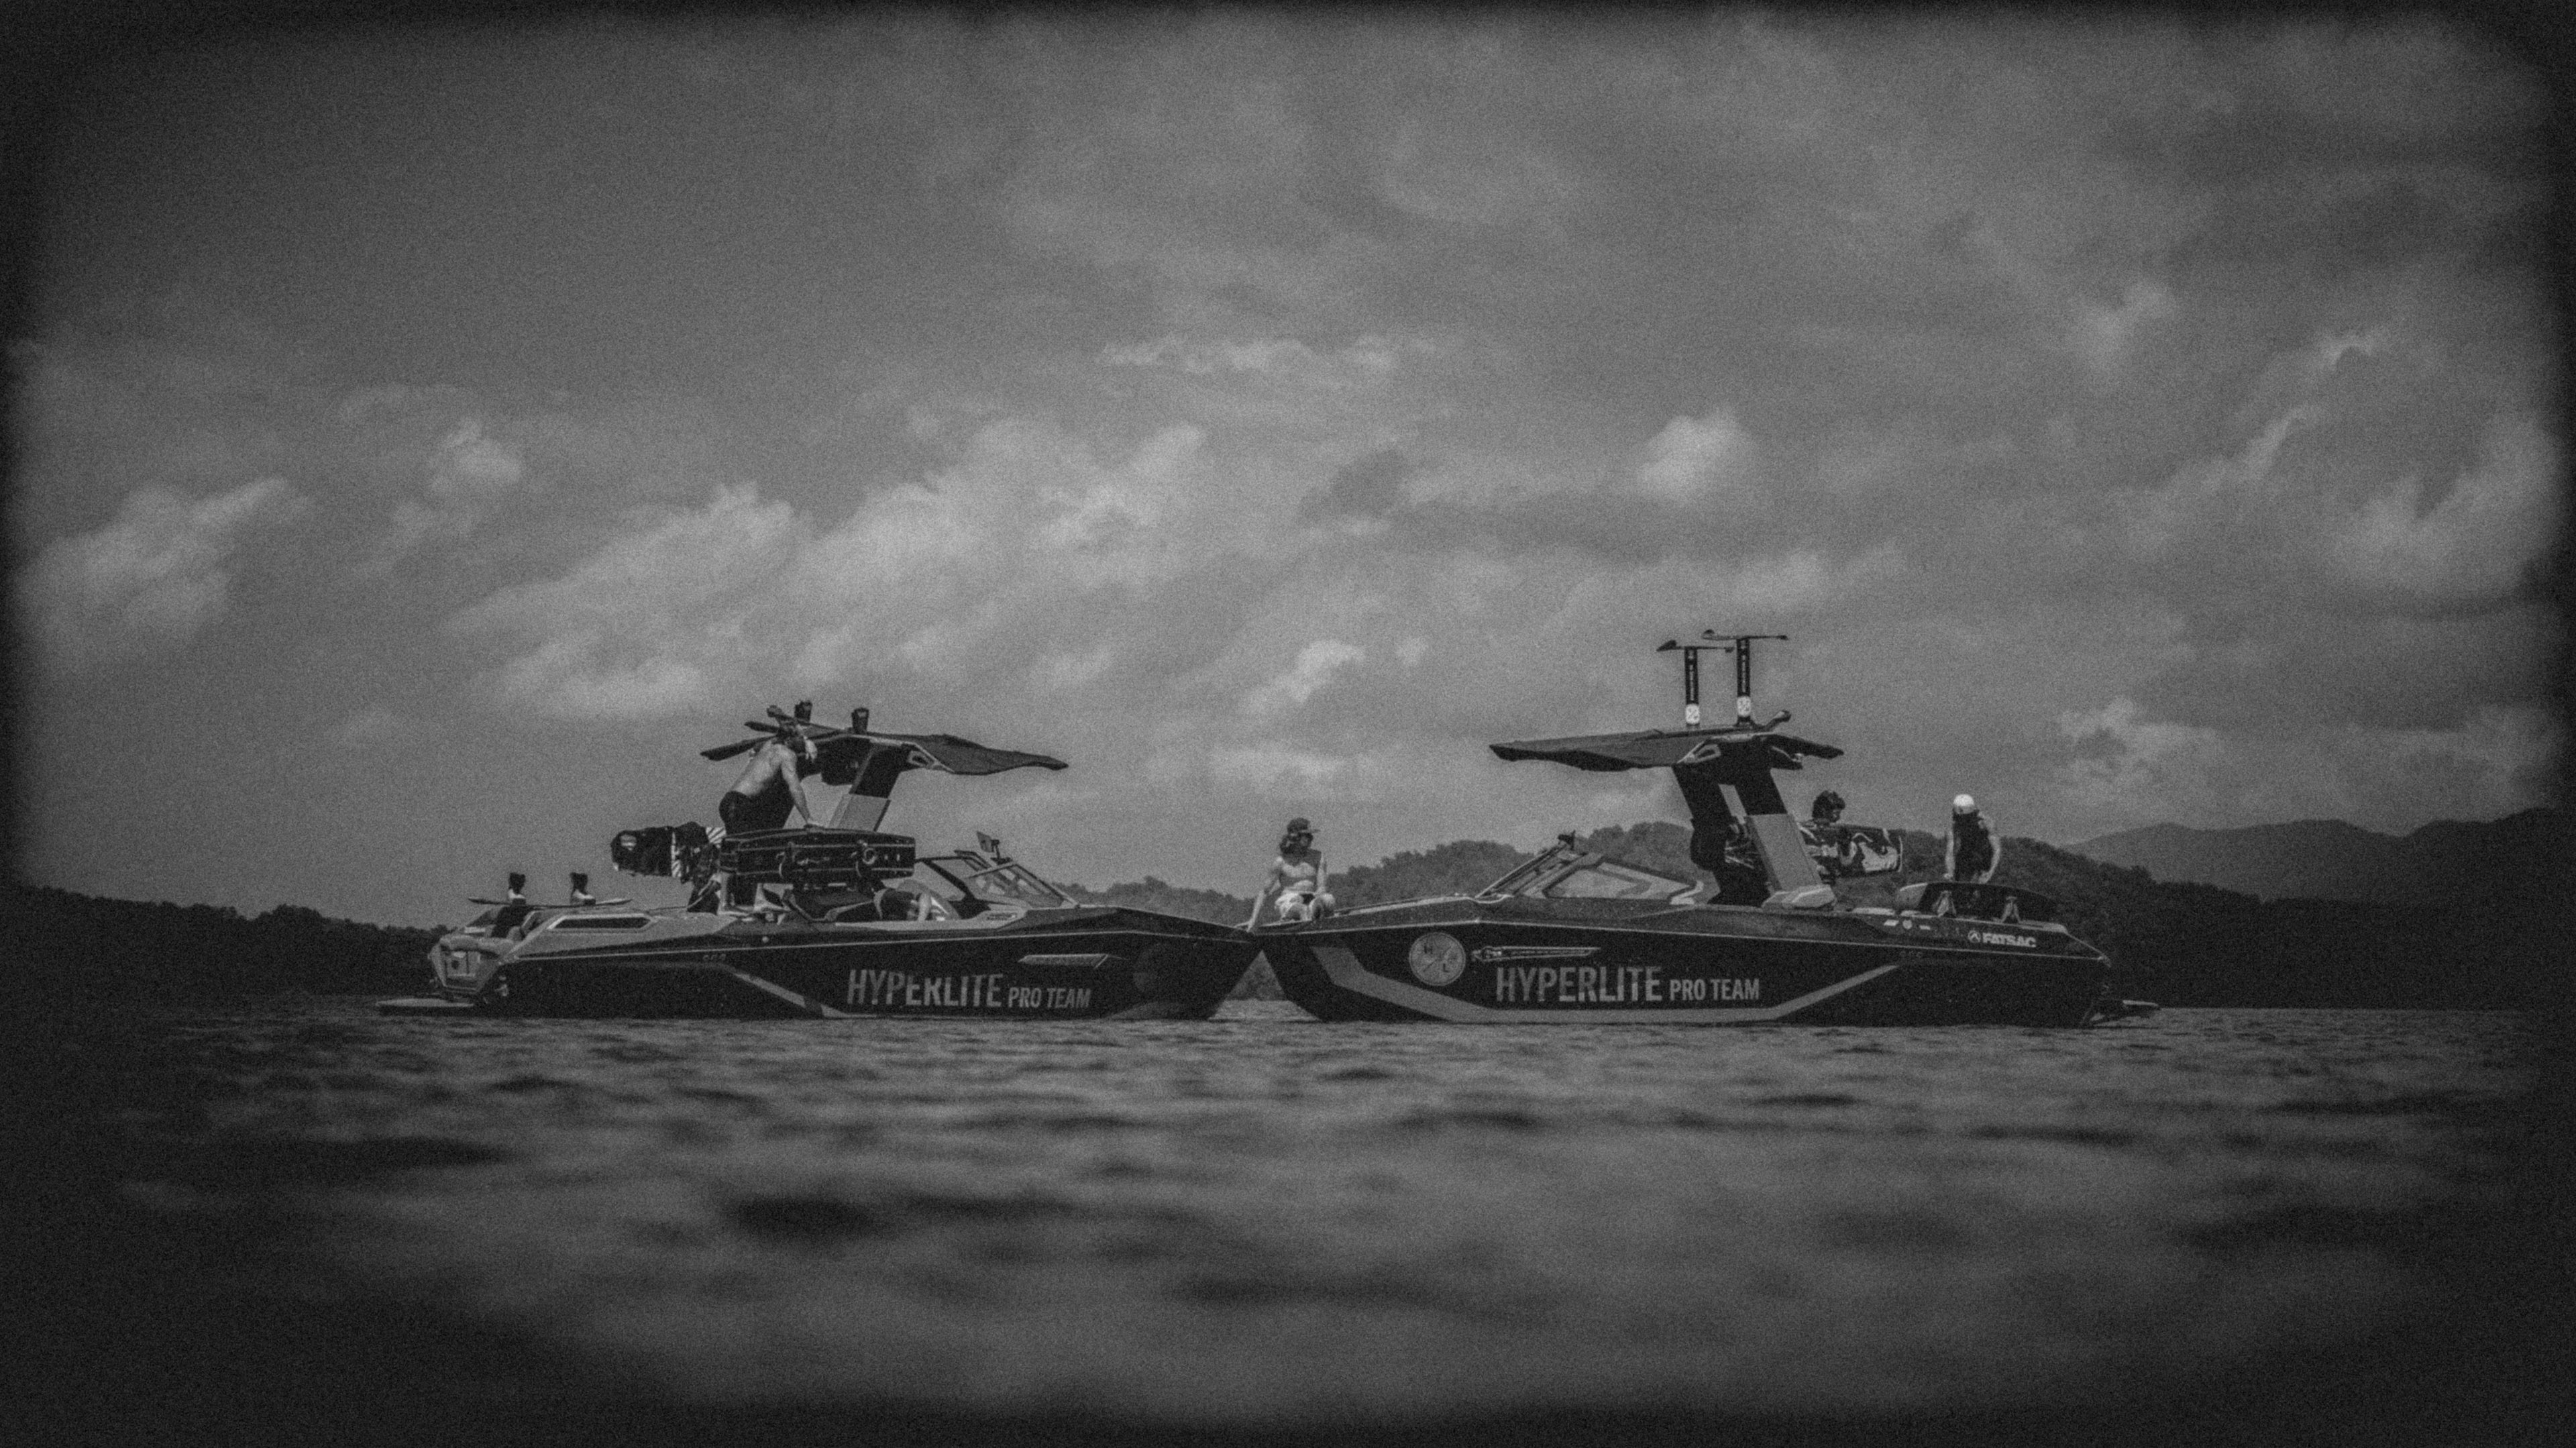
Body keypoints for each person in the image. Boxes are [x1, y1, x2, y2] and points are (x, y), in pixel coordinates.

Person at [720, 727, 814, 835]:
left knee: (737, 846)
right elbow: (795, 788)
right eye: (801, 738)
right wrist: (808, 819)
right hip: (740, 807)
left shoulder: (768, 746)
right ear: (788, 740)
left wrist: (806, 741)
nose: (804, 740)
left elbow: (774, 739)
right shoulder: (787, 754)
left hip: (728, 803)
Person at [1246, 817, 1334, 927]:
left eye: (1310, 836)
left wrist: (1310, 897)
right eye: (1306, 836)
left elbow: (1322, 887)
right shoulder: (1281, 862)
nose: (1310, 839)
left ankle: (1319, 919)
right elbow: (1265, 891)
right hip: (1289, 900)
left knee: (1328, 900)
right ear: (1296, 837)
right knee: (1301, 909)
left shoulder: (1318, 857)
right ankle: (1306, 923)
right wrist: (1253, 919)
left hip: (1311, 897)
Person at [1945, 793, 2000, 882]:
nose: (1962, 821)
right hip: (1965, 857)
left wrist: (1991, 872)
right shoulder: (1953, 827)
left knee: (1978, 860)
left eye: (1965, 818)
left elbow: (1997, 850)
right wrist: (1950, 873)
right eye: (1959, 818)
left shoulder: (1987, 823)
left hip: (1984, 858)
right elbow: (1950, 853)